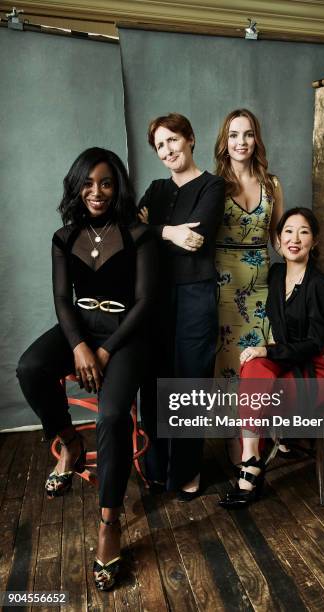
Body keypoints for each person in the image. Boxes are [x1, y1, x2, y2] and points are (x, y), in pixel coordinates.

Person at [16, 147, 157, 590]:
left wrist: (104, 351)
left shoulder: (140, 234)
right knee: (31, 367)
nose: (97, 192)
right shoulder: (64, 237)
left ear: (118, 187)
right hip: (81, 327)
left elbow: (146, 302)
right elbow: (62, 299)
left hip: (126, 335)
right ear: (77, 186)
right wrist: (79, 344)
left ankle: (109, 522)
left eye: (107, 183)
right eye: (89, 183)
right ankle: (69, 442)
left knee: (113, 415)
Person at [218, 207, 324, 508]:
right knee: (253, 368)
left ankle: (249, 473)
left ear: (314, 240)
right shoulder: (274, 275)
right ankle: (252, 457)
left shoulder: (322, 286)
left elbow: (314, 344)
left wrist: (267, 350)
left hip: (316, 367)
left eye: (303, 232)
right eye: (288, 231)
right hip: (285, 358)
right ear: (278, 238)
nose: (294, 238)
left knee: (261, 382)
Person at [138, 113, 225, 500]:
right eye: (160, 145)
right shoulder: (155, 189)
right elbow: (131, 231)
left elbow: (200, 235)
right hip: (154, 298)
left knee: (190, 382)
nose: (167, 150)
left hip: (196, 296)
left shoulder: (213, 185)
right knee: (154, 380)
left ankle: (188, 470)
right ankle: (155, 468)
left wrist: (155, 232)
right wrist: (170, 231)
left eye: (172, 140)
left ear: (190, 139)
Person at [213, 108, 284, 466]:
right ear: (225, 143)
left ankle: (255, 435)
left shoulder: (272, 184)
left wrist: (301, 266)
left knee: (254, 362)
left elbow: (276, 237)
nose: (241, 142)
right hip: (224, 286)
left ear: (257, 139)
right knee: (226, 364)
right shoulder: (213, 185)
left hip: (261, 288)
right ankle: (233, 437)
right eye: (234, 135)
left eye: (248, 134)